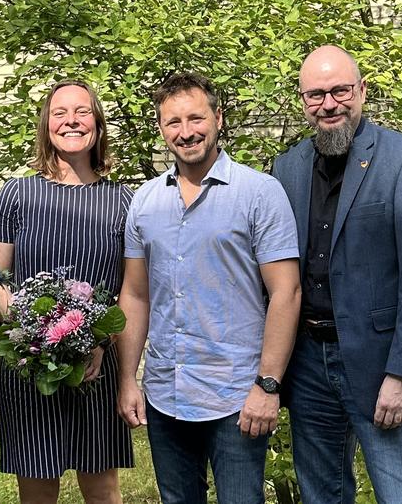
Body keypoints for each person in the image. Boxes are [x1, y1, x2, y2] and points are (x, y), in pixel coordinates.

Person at [271, 45, 402, 504]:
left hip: (381, 365)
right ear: (303, 100)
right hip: (308, 364)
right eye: (315, 95)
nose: (329, 104)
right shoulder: (286, 169)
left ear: (362, 91)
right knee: (322, 496)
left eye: (340, 90)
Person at [116, 72, 301, 503]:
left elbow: (286, 293)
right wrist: (128, 379)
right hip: (165, 391)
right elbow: (135, 295)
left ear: (218, 118)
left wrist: (268, 386)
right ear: (161, 129)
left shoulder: (259, 193)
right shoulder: (144, 201)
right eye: (173, 122)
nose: (186, 132)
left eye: (196, 118)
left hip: (236, 396)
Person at [0, 80, 134, 504]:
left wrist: (98, 342)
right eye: (60, 112)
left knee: (103, 491)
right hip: (29, 365)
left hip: (97, 364)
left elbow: (131, 290)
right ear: (46, 125)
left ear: (98, 124)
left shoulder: (124, 200)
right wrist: (35, 337)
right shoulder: (17, 194)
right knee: (37, 490)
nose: (71, 121)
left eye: (82, 112)